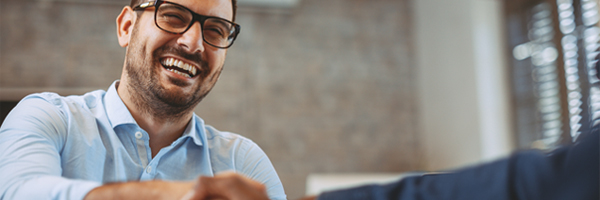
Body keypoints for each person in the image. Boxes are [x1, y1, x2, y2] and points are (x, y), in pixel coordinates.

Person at [0, 0, 286, 199]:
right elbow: (19, 192)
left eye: (215, 30)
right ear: (126, 27)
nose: (194, 43)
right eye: (173, 15)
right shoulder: (49, 117)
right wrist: (179, 194)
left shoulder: (243, 161)